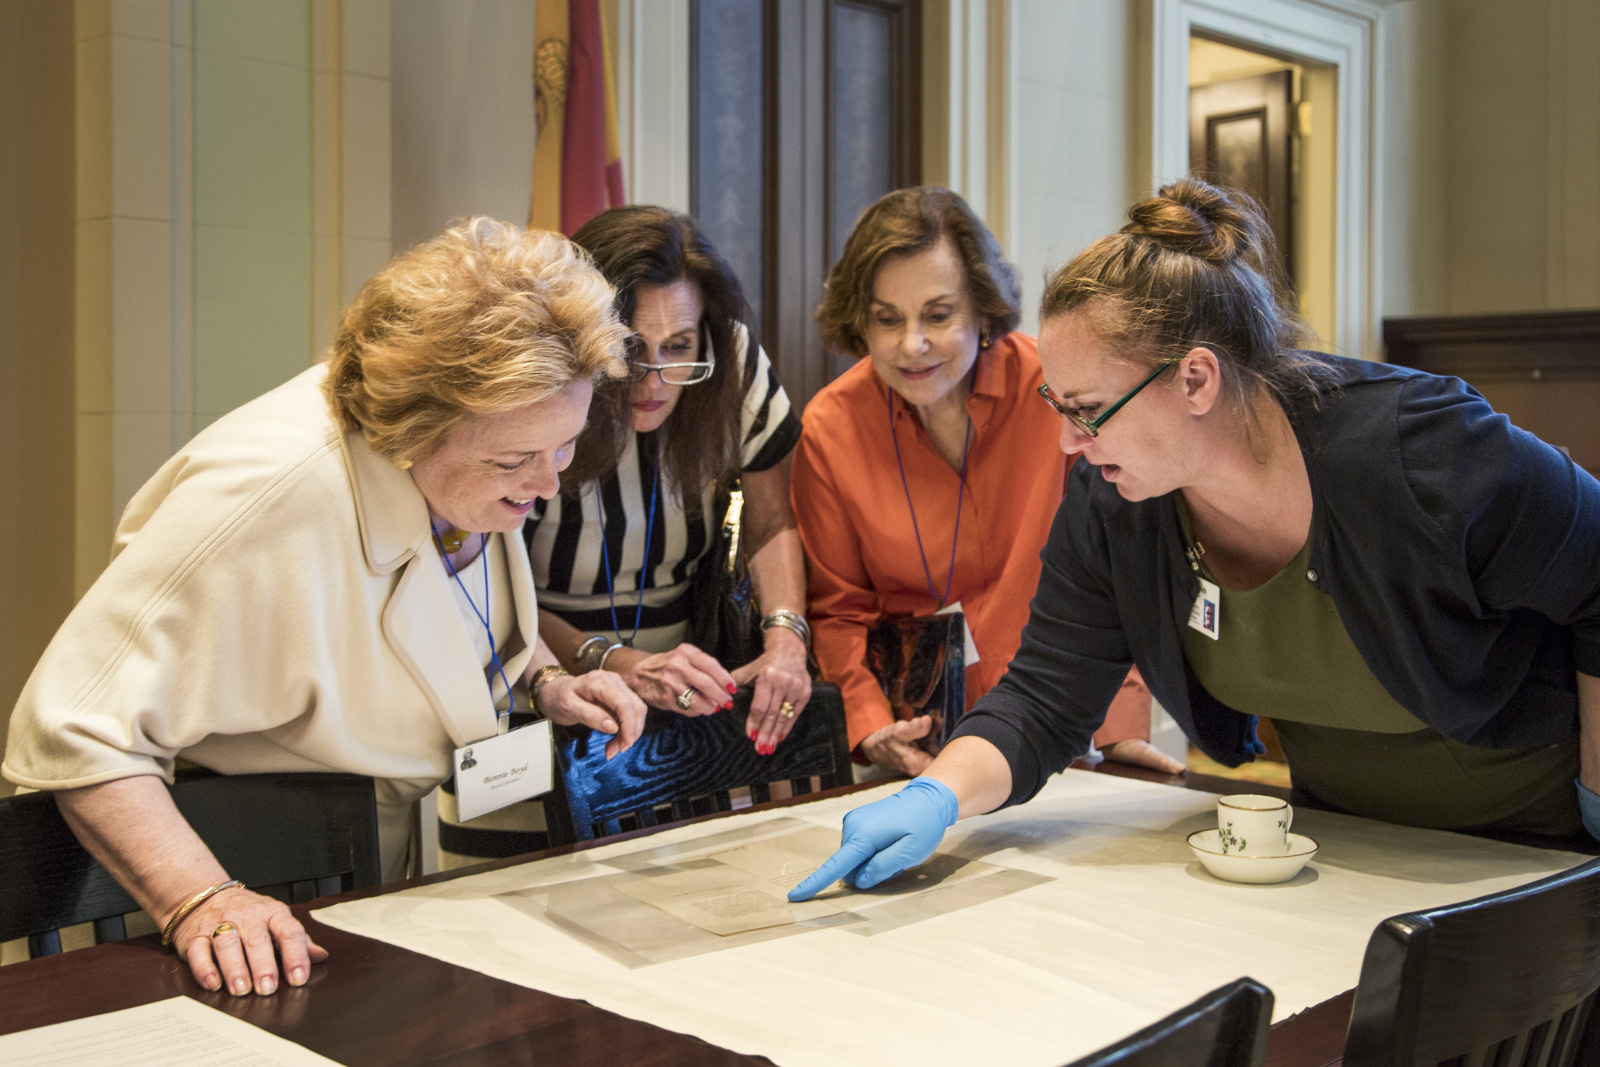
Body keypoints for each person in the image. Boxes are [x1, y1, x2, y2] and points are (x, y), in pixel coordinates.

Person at [790, 179, 1600, 900]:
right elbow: (1045, 698)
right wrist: (937, 794)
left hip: (1534, 854)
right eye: (1057, 409)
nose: (1068, 442)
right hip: (1341, 849)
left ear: (1197, 379)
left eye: (1088, 411)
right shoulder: (1115, 501)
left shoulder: (1425, 452)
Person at [3, 218, 647, 993]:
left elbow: (446, 614)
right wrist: (201, 899)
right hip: (240, 905)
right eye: (516, 459)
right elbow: (70, 725)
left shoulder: (476, 463)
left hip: (366, 877)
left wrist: (543, 679)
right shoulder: (268, 496)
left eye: (565, 446)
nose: (547, 484)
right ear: (417, 428)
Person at [791, 185, 1179, 780]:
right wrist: (869, 728)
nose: (911, 345)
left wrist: (1119, 729)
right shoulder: (830, 427)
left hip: (1065, 733)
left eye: (938, 315)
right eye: (887, 319)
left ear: (983, 308)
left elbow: (1121, 571)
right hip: (918, 748)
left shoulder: (1058, 394)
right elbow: (838, 612)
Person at [527, 206, 812, 751]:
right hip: (535, 681)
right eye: (628, 348)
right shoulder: (540, 376)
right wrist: (618, 663)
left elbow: (772, 524)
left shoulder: (732, 361)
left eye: (678, 347)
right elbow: (489, 587)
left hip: (683, 689)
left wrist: (785, 637)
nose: (653, 382)